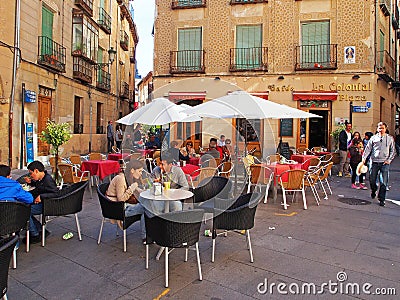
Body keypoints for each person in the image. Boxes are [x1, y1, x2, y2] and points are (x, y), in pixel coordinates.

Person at [106, 159, 146, 242]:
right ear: (132, 170)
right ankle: (147, 236)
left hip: (121, 206)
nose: (141, 173)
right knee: (146, 209)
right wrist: (132, 188)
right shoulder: (120, 179)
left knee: (146, 209)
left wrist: (141, 190)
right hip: (116, 209)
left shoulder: (127, 177)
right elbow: (121, 199)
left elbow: (133, 189)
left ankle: (146, 237)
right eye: (139, 171)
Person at [362, 122, 396, 207]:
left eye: (383, 128)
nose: (381, 130)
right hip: (374, 162)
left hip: (384, 163)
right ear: (377, 129)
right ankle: (374, 190)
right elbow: (368, 149)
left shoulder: (390, 138)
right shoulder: (373, 138)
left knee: (383, 182)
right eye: (379, 128)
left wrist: (389, 160)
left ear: (385, 129)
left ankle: (382, 199)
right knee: (372, 180)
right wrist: (364, 158)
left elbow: (393, 151)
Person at [25, 161, 59, 243]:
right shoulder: (42, 178)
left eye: (31, 173)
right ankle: (40, 229)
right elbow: (40, 187)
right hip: (43, 203)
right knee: (25, 208)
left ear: (36, 171)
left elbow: (56, 194)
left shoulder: (48, 180)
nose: (31, 176)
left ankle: (35, 234)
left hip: (48, 205)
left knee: (24, 211)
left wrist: (42, 196)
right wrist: (31, 182)